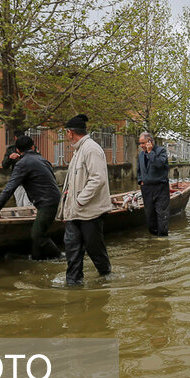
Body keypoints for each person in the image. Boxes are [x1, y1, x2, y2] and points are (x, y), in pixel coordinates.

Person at [0, 135, 61, 259]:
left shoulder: (23, 163)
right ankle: (36, 258)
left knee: (37, 235)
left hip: (46, 203)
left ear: (17, 150)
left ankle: (60, 258)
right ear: (33, 147)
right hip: (51, 200)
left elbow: (9, 188)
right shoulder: (42, 159)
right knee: (37, 233)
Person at [57, 114, 112, 285]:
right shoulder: (78, 150)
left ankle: (106, 275)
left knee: (94, 249)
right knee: (72, 248)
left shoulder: (91, 149)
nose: (66, 136)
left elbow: (98, 179)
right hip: (74, 212)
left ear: (70, 132)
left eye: (66, 133)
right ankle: (73, 283)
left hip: (90, 212)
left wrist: (80, 200)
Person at [137, 131, 169, 237]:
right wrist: (140, 180)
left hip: (160, 188)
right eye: (140, 143)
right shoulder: (141, 154)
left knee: (161, 214)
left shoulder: (161, 151)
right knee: (150, 215)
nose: (141, 146)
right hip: (146, 188)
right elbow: (139, 170)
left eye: (143, 143)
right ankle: (154, 239)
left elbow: (159, 164)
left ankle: (163, 240)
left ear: (149, 141)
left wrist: (151, 153)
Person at [2, 132, 34, 207]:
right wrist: (10, 158)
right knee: (19, 204)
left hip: (31, 181)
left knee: (29, 204)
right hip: (18, 182)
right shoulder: (11, 150)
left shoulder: (32, 148)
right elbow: (5, 165)